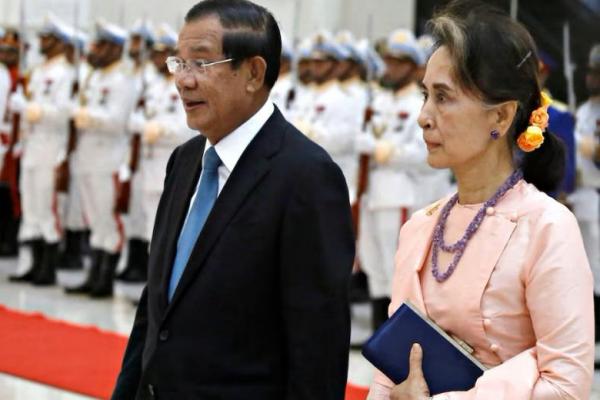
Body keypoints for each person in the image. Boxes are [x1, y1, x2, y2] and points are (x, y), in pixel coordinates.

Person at [111, 1, 354, 399]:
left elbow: (318, 351)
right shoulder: (186, 160)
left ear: (253, 73)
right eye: (179, 63)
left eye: (201, 65)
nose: (184, 81)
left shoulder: (306, 178)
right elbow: (155, 310)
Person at [368, 1, 594, 399]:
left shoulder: (545, 226)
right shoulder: (420, 227)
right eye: (425, 96)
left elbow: (566, 386)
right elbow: (391, 372)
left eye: (444, 97)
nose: (424, 115)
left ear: (501, 117)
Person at [64, 21, 137, 298]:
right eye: (95, 45)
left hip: (109, 158)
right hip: (87, 156)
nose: (94, 50)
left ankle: (105, 278)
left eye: (101, 45)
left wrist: (86, 117)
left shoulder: (123, 81)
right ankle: (92, 274)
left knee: (108, 219)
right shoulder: (94, 78)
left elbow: (118, 121)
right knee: (93, 218)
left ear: (116, 49)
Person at [8, 15, 73, 285]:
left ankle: (48, 266)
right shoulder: (38, 72)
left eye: (46, 39)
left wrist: (29, 109)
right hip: (32, 145)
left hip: (50, 145)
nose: (41, 43)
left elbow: (61, 113)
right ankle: (32, 263)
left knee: (47, 206)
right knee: (31, 205)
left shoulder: (64, 74)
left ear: (59, 43)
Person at [571, 43, 600, 343]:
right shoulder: (583, 110)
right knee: (586, 272)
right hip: (584, 195)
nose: (592, 78)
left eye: (597, 73)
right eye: (591, 72)